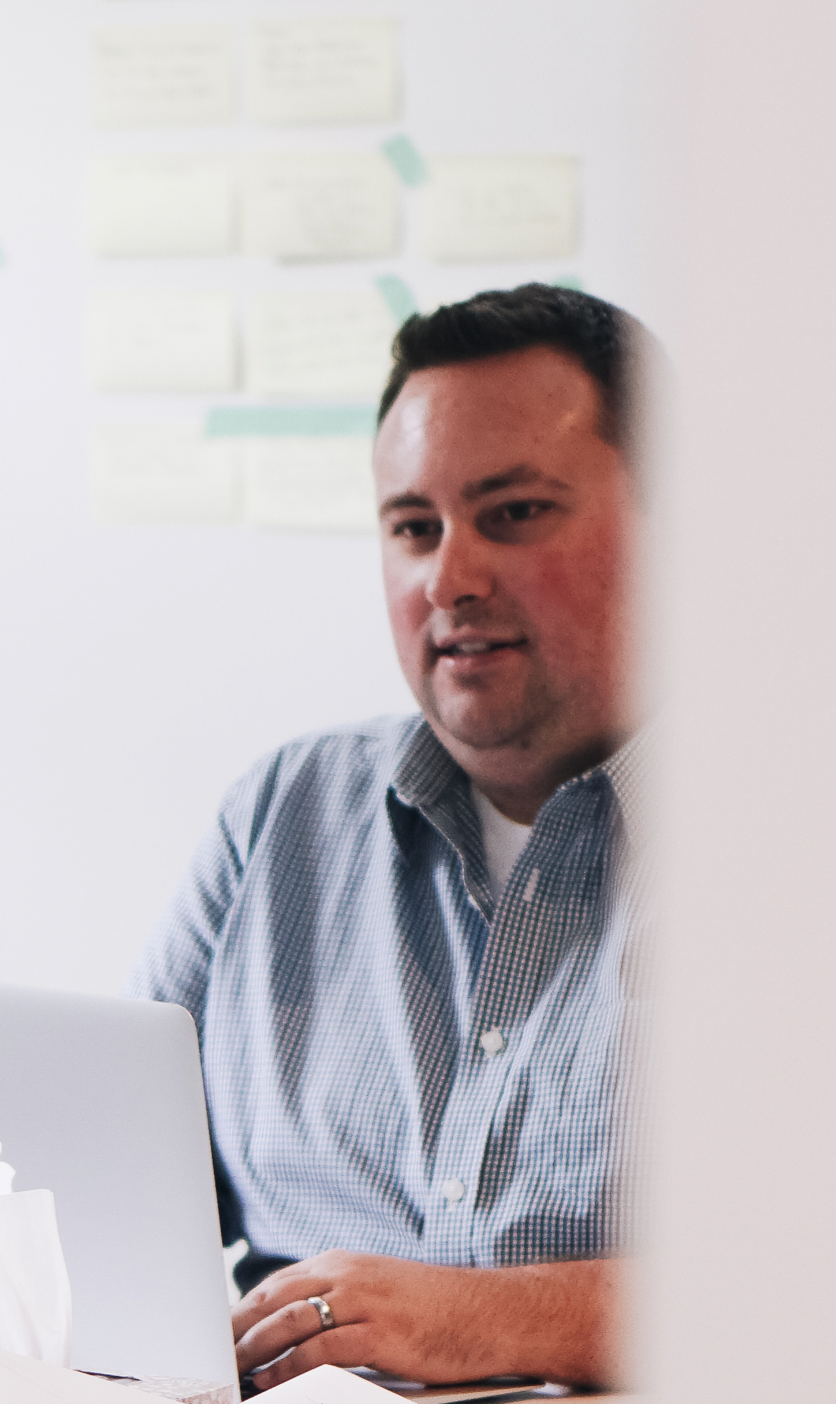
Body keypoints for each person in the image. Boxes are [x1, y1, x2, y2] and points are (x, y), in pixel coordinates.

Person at [131, 284, 648, 1392]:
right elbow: (115, 1179)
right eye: (414, 528)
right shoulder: (281, 813)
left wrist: (494, 1320)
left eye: (513, 514)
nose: (449, 580)